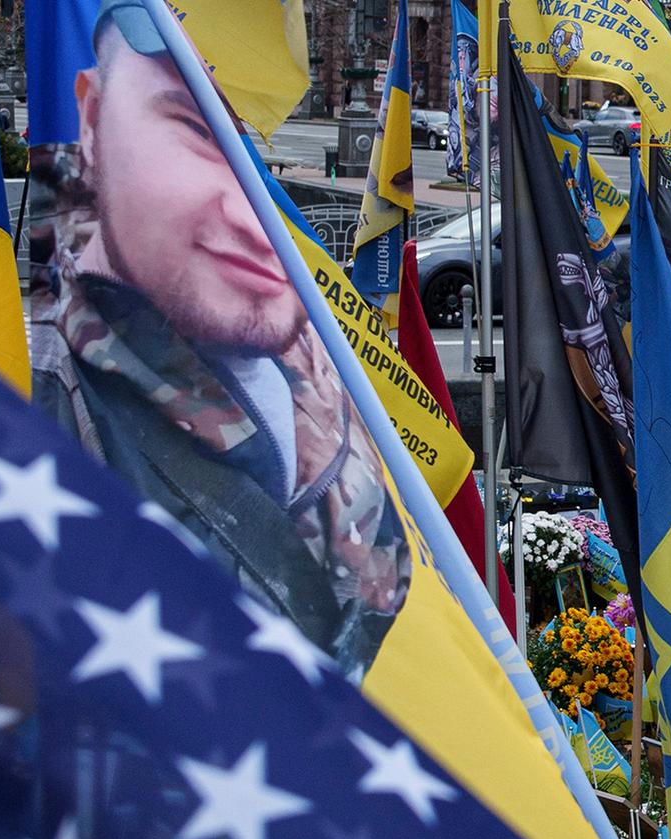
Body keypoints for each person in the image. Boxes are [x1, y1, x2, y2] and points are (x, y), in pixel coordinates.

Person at [35, 0, 411, 678]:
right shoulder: (56, 408)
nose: (245, 204)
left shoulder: (298, 353)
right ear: (89, 115)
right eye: (188, 127)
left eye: (240, 145)